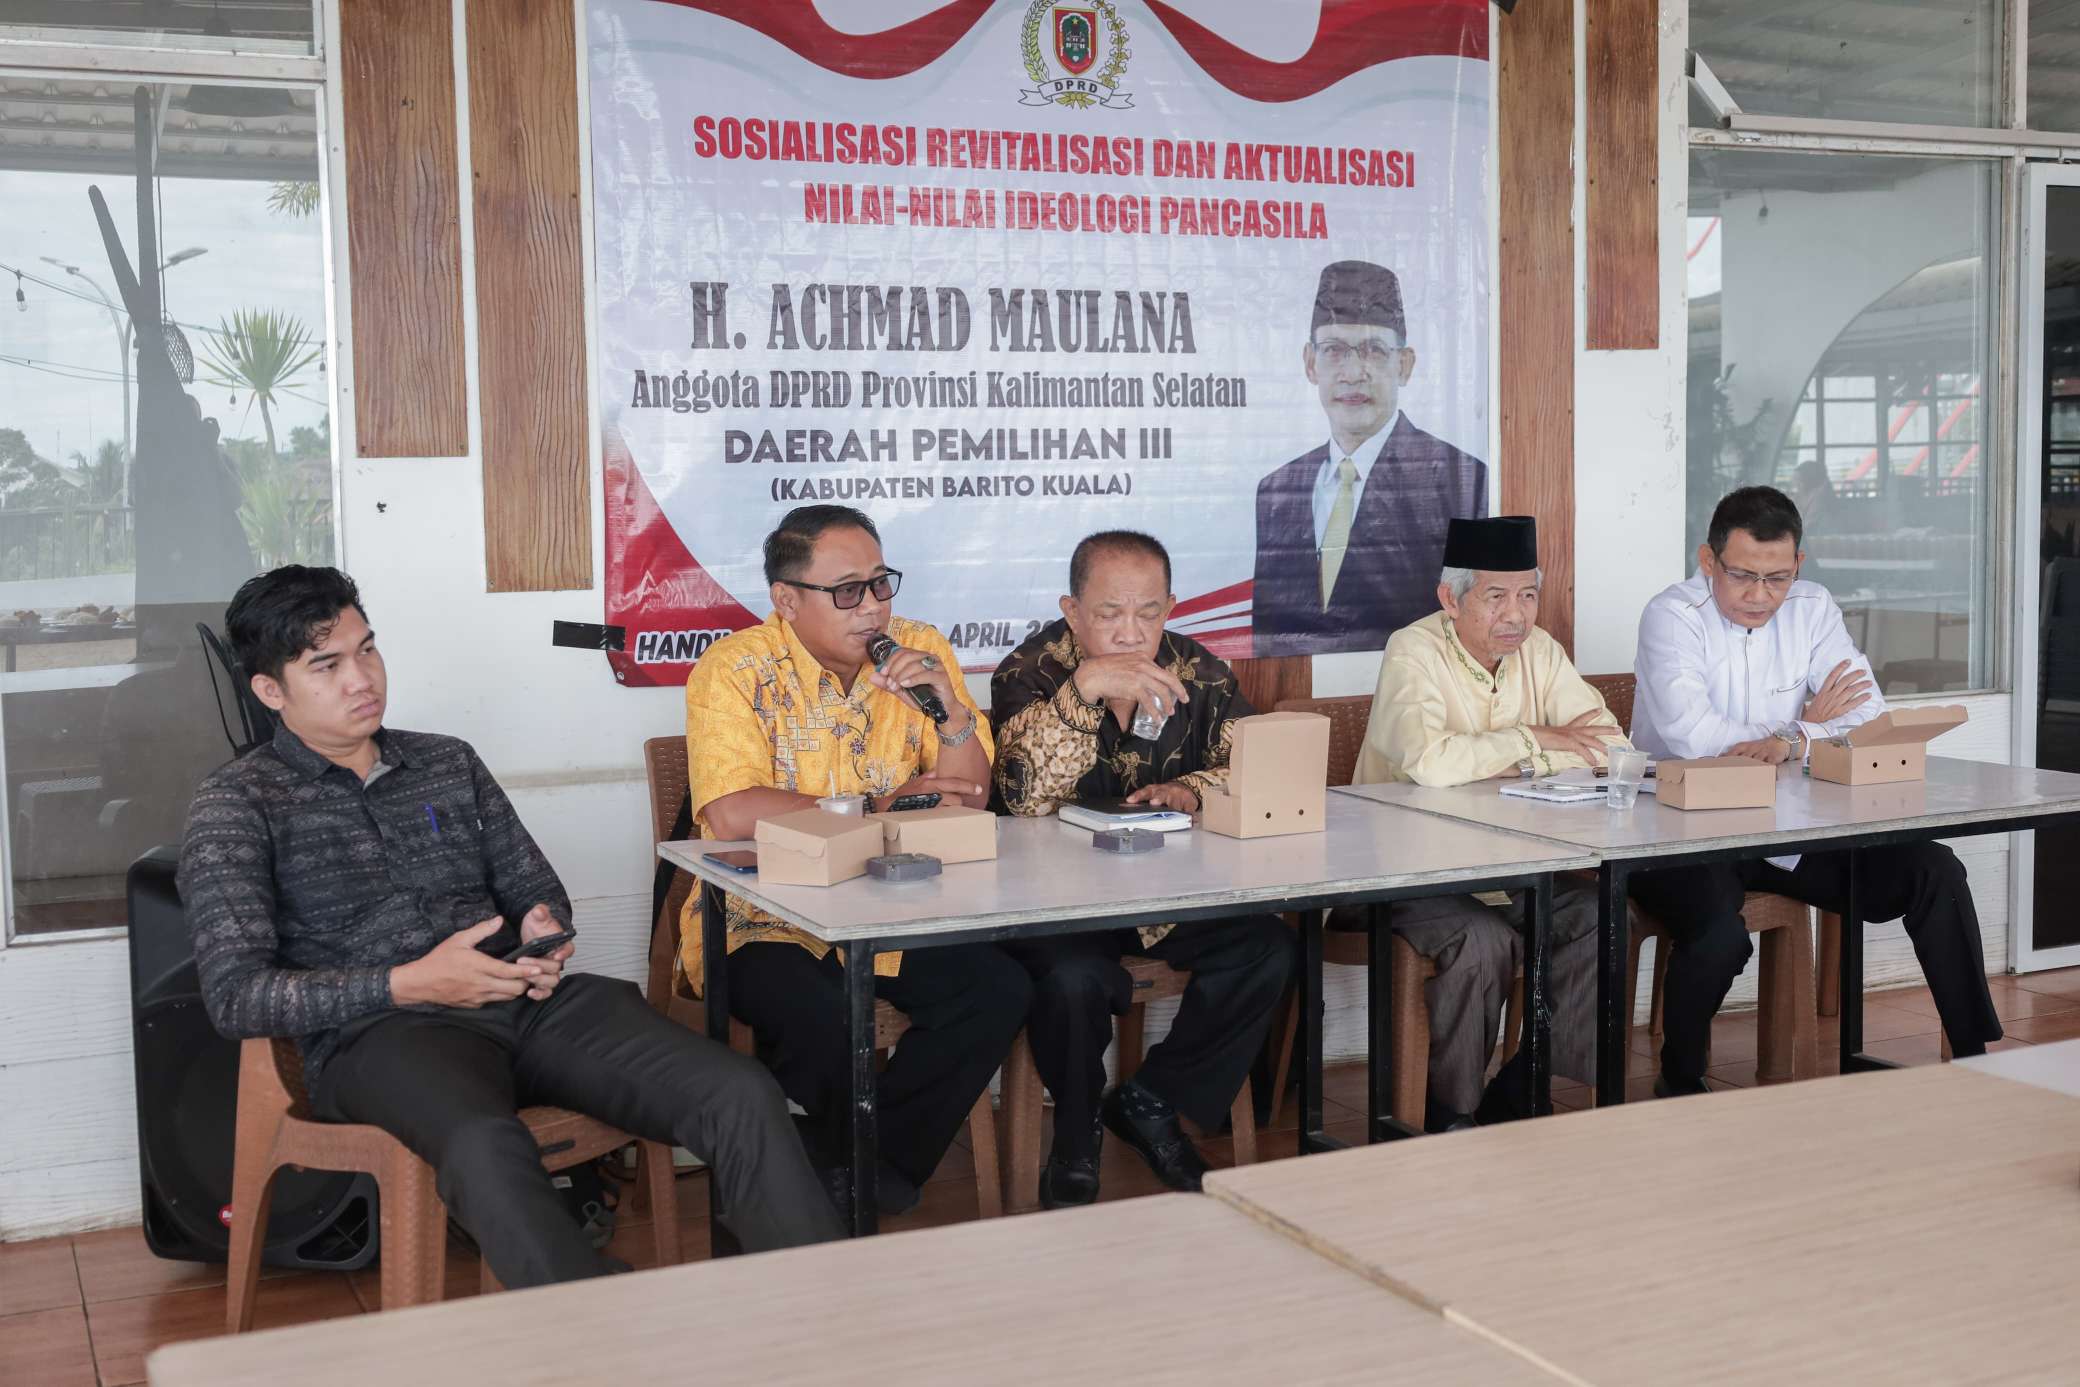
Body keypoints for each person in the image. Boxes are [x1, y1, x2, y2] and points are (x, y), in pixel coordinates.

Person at [179, 566, 839, 1289]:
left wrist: (542, 928)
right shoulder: (236, 804)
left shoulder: (444, 760)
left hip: (528, 1002)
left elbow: (534, 887)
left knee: (738, 1091)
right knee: (484, 1144)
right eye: (326, 665)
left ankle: (811, 1310)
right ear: (270, 690)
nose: (361, 678)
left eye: (366, 650)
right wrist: (409, 983)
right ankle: (594, 1327)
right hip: (382, 1035)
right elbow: (236, 997)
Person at [681, 504, 1030, 1214]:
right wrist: (874, 806)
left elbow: (969, 797)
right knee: (823, 1018)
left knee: (998, 990)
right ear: (786, 600)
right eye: (847, 591)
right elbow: (732, 813)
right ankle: (867, 1168)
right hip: (764, 916)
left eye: (880, 582)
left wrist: (950, 713)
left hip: (893, 904)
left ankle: (865, 1169)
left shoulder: (918, 649)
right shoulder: (735, 669)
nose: (872, 606)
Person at [1630, 486, 2002, 1095]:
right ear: (1708, 560)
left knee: (1933, 869)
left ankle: (1975, 1056)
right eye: (1742, 575)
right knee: (1719, 936)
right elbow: (1694, 737)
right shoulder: (1672, 615)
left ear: (1798, 563)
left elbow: (1867, 713)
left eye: (1777, 578)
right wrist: (1801, 726)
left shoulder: (1813, 606)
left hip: (1790, 828)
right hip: (1684, 830)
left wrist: (1792, 737)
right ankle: (1680, 1079)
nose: (1760, 595)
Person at [990, 531, 1293, 1207]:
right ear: (1072, 611)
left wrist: (1193, 789)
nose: (1131, 632)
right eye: (1109, 613)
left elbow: (1251, 764)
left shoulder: (1199, 671)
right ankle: (1076, 1132)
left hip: (1166, 892)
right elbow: (1022, 798)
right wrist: (1084, 690)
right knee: (1072, 980)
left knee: (1266, 948)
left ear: (1170, 608)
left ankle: (1151, 1100)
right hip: (1059, 902)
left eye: (1148, 613)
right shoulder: (1028, 672)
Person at [1352, 516, 1619, 1128]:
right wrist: (1534, 739)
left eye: (1528, 595)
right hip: (1405, 873)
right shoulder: (1413, 650)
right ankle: (1451, 1109)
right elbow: (1429, 763)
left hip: (1511, 868)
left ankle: (1527, 1082)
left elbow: (1608, 745)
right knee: (1481, 942)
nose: (1516, 615)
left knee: (1602, 915)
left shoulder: (1541, 651)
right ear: (1451, 600)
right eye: (1495, 596)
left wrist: (1521, 753)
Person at [1251, 259, 1489, 658]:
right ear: (1310, 363)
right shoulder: (1276, 491)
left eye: (1374, 351)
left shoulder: (1460, 480)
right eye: (1334, 350)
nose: (1353, 372)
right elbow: (1269, 634)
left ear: (1404, 365)